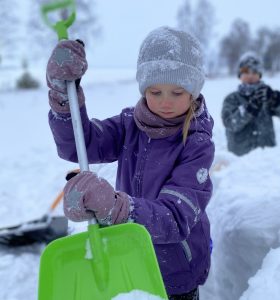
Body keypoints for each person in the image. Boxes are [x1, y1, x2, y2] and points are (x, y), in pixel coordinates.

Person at [46, 26, 214, 300]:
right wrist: (64, 99)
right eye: (155, 91)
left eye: (178, 92)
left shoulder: (196, 144)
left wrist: (115, 206)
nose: (165, 102)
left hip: (176, 272)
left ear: (194, 91)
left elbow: (176, 217)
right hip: (131, 257)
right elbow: (81, 144)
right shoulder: (130, 125)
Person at [221, 52, 280, 156]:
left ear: (260, 75)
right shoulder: (232, 98)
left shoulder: (267, 96)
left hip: (267, 158)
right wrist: (249, 109)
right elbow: (230, 124)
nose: (250, 75)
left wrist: (276, 99)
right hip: (240, 160)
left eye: (255, 71)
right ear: (240, 75)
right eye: (246, 71)